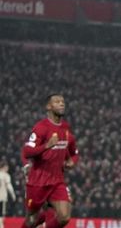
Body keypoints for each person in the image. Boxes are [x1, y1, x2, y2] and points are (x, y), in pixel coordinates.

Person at [21, 94, 79, 228]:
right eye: (57, 102)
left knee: (64, 217)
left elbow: (74, 152)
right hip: (38, 181)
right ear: (48, 106)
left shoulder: (65, 128)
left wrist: (72, 161)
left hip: (57, 181)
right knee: (31, 220)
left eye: (63, 101)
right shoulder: (41, 127)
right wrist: (46, 146)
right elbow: (27, 152)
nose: (61, 104)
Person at [0, 161, 16, 228]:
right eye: (7, 167)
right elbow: (9, 187)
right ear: (4, 167)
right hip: (2, 198)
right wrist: (13, 195)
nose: (8, 169)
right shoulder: (6, 176)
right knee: (1, 215)